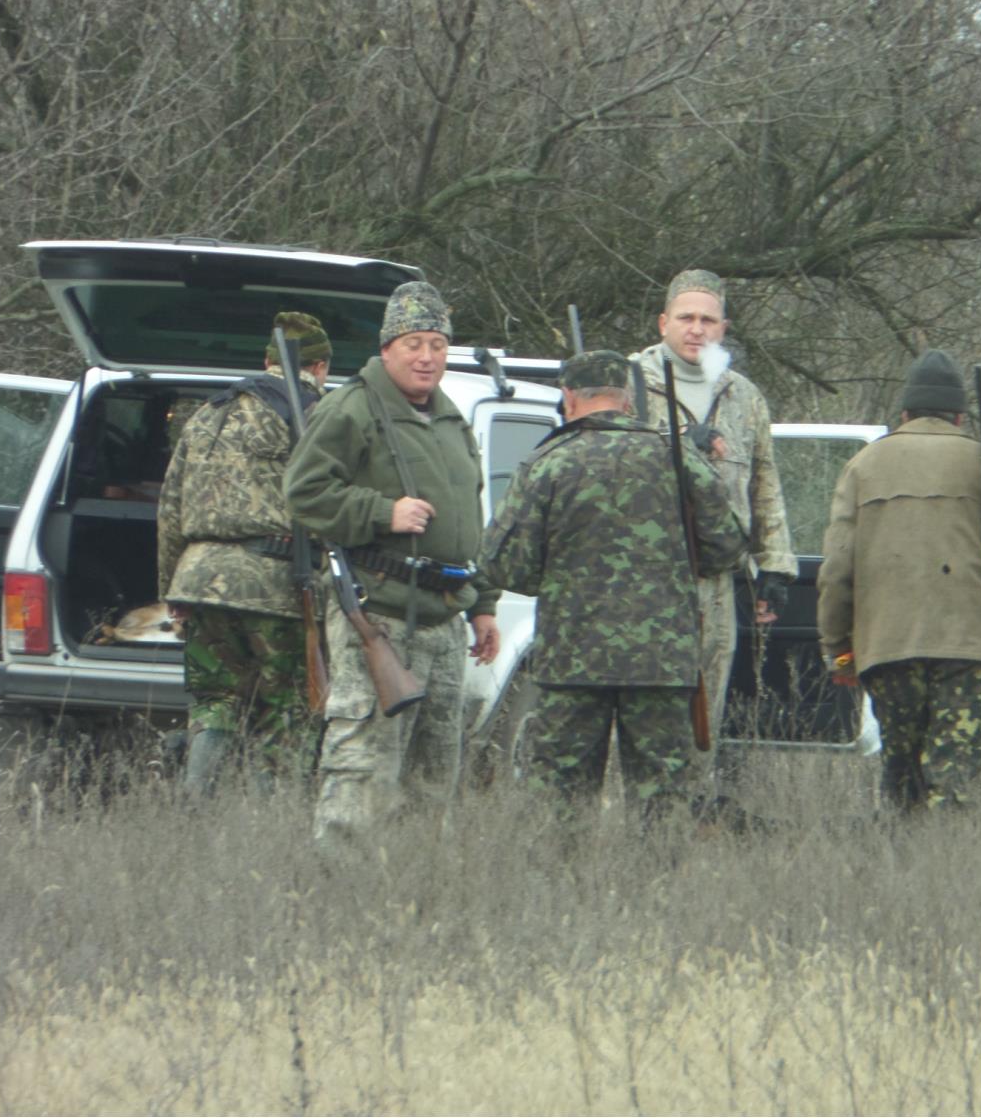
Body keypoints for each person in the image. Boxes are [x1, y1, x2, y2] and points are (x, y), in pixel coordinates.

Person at [480, 350, 746, 822]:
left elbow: (503, 566)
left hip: (572, 662)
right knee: (663, 805)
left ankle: (564, 873)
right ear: (627, 400)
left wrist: (559, 578)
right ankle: (657, 872)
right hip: (662, 662)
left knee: (558, 805)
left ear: (568, 397)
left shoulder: (548, 463)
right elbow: (728, 547)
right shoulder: (677, 458)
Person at [284, 281, 500, 855]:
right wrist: (382, 512)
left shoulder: (450, 419)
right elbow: (303, 493)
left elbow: (469, 519)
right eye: (413, 344)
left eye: (437, 344)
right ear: (386, 349)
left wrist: (482, 604)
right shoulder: (352, 408)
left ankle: (412, 889)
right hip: (379, 614)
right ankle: (340, 886)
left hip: (443, 621)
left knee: (433, 778)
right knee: (362, 768)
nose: (427, 357)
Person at [817, 350, 981, 813]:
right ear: (960, 417)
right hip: (966, 643)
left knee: (900, 769)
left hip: (888, 645)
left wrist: (836, 645)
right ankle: (947, 846)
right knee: (953, 776)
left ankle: (902, 844)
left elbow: (837, 567)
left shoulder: (863, 465)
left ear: (904, 414)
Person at [158, 311, 332, 796]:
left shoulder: (208, 412)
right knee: (285, 710)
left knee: (214, 701)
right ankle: (269, 820)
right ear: (321, 367)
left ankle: (196, 803)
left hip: (199, 581)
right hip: (275, 585)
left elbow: (169, 509)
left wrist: (171, 589)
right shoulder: (318, 415)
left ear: (265, 361)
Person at [630, 269, 797, 760]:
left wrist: (775, 566)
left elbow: (764, 484)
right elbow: (606, 464)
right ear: (663, 322)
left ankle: (693, 797)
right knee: (644, 709)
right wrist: (679, 444)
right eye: (686, 318)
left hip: (717, 579)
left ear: (724, 328)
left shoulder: (743, 397)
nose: (696, 329)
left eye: (708, 320)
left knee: (706, 712)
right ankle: (629, 802)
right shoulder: (626, 382)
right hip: (644, 578)